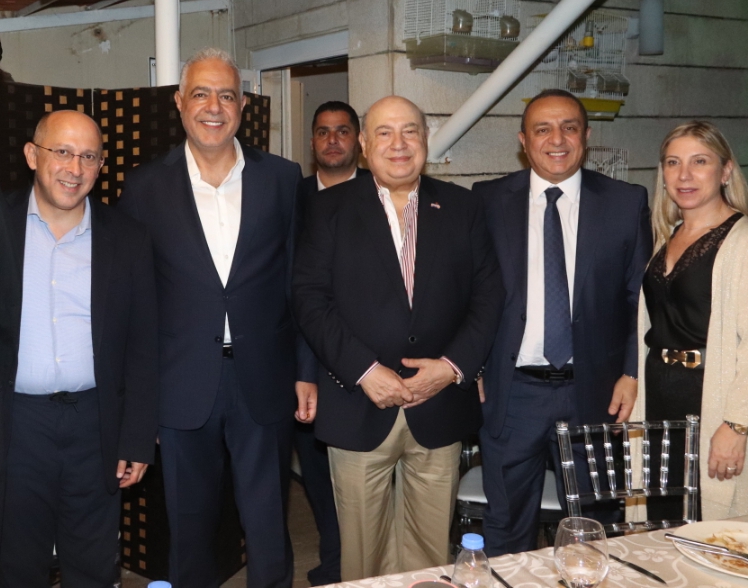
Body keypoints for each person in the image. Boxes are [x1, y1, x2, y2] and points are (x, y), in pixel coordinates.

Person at [118, 48, 317, 588]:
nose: (213, 107)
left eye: (226, 95)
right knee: (188, 531)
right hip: (180, 386)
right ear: (179, 103)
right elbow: (133, 303)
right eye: (201, 94)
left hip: (265, 380)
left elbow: (298, 285)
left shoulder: (282, 179)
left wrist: (305, 370)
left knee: (268, 527)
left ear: (243, 106)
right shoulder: (144, 187)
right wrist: (140, 404)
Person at [293, 96, 504, 581]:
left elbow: (489, 296)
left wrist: (452, 367)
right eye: (384, 133)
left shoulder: (464, 206)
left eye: (410, 131)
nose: (399, 144)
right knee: (361, 556)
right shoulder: (326, 208)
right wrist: (365, 371)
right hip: (357, 402)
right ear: (365, 146)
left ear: (425, 140)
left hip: (439, 404)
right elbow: (309, 298)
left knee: (430, 551)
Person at [473, 89, 652, 556]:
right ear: (523, 141)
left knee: (595, 528)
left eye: (569, 127)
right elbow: (468, 293)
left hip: (594, 393)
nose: (557, 139)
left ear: (586, 136)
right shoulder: (487, 200)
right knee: (506, 526)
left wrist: (631, 372)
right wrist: (473, 366)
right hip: (513, 394)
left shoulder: (625, 202)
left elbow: (638, 299)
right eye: (543, 129)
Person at [0, 110, 158, 587]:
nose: (75, 168)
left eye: (89, 157)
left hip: (96, 425)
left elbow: (143, 346)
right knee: (15, 564)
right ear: (33, 155)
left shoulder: (127, 238)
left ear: (101, 166)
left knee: (93, 565)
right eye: (63, 152)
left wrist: (137, 438)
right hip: (16, 425)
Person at [631, 120, 748, 521]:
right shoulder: (666, 237)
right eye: (673, 162)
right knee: (663, 522)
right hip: (661, 401)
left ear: (725, 171)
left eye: (699, 161)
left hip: (716, 402)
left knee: (717, 531)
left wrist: (736, 426)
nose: (684, 175)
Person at [294, 100, 364, 586]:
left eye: (342, 131)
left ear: (358, 139)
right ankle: (336, 562)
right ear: (312, 142)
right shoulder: (290, 197)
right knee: (316, 471)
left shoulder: (382, 191)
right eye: (323, 132)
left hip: (367, 362)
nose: (332, 140)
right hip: (303, 359)